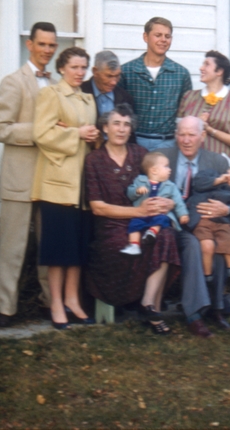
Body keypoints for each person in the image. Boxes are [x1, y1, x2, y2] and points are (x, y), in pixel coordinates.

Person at [84, 104, 181, 335]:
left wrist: (169, 203)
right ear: (105, 127)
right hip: (112, 225)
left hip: (146, 221)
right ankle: (147, 310)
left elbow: (163, 184)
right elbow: (98, 208)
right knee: (120, 246)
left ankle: (150, 305)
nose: (121, 129)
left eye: (127, 124)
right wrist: (138, 212)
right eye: (116, 123)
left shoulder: (139, 154)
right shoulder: (94, 160)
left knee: (166, 236)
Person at [0, 21, 57, 328]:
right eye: (42, 44)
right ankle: (5, 309)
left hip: (49, 178)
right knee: (12, 248)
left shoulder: (56, 83)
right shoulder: (13, 82)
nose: (47, 50)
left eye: (52, 45)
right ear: (29, 45)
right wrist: (39, 132)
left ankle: (48, 302)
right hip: (19, 178)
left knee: (48, 245)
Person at [31, 47, 99, 330]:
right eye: (74, 67)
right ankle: (56, 303)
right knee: (58, 251)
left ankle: (72, 299)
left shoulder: (87, 98)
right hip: (58, 185)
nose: (80, 72)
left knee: (77, 249)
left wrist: (91, 135)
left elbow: (88, 136)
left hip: (82, 185)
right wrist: (76, 133)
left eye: (84, 67)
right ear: (61, 68)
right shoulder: (51, 94)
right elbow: (41, 133)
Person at [162, 116, 230, 338]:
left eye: (191, 135)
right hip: (173, 225)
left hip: (208, 224)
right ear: (175, 135)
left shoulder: (218, 163)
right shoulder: (164, 158)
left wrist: (227, 211)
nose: (186, 140)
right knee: (192, 245)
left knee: (217, 248)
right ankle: (195, 314)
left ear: (202, 136)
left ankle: (216, 308)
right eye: (182, 134)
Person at [120, 17, 192, 151]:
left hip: (167, 144)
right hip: (133, 143)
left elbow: (185, 113)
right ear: (145, 37)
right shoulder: (127, 71)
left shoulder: (181, 74)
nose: (163, 40)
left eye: (167, 36)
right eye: (158, 35)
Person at [186, 167, 230, 294]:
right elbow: (197, 184)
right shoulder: (211, 174)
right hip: (202, 220)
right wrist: (219, 180)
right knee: (207, 246)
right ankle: (208, 279)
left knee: (229, 244)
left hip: (223, 223)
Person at [178, 50, 230, 166]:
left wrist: (210, 130)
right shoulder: (189, 97)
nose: (201, 68)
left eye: (206, 64)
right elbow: (177, 133)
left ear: (219, 71)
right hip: (191, 166)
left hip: (224, 168)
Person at [122, 152, 189, 255]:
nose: (170, 169)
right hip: (141, 214)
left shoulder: (170, 186)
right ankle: (134, 245)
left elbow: (178, 201)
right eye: (166, 166)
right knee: (134, 225)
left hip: (159, 214)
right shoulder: (140, 181)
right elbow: (129, 193)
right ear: (154, 170)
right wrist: (137, 191)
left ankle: (152, 232)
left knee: (163, 219)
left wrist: (183, 214)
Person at [81, 50, 135, 132]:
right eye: (109, 76)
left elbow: (130, 133)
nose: (114, 82)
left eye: (117, 76)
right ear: (95, 71)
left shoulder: (125, 98)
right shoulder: (80, 92)